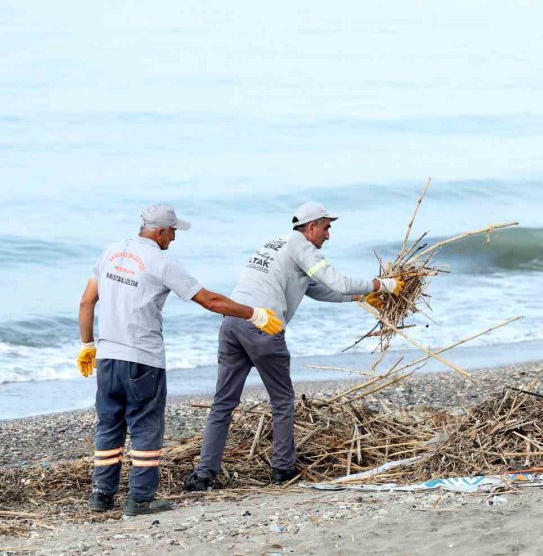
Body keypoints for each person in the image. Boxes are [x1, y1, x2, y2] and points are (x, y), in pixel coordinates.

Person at [77, 204, 283, 516]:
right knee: (145, 426)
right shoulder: (161, 262)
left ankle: (101, 495)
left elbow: (87, 301)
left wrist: (87, 345)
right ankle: (140, 500)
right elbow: (209, 300)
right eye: (172, 232)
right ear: (159, 231)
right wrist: (254, 314)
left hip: (107, 358)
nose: (173, 238)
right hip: (142, 358)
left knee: (109, 425)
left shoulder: (111, 252)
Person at [183, 202, 404, 491]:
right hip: (263, 326)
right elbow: (338, 282)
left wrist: (360, 298)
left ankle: (203, 475)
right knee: (283, 400)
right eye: (326, 228)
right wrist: (383, 285)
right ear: (311, 227)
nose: (328, 235)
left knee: (223, 402)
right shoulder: (302, 246)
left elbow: (316, 289)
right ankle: (282, 470)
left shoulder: (277, 244)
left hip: (232, 323)